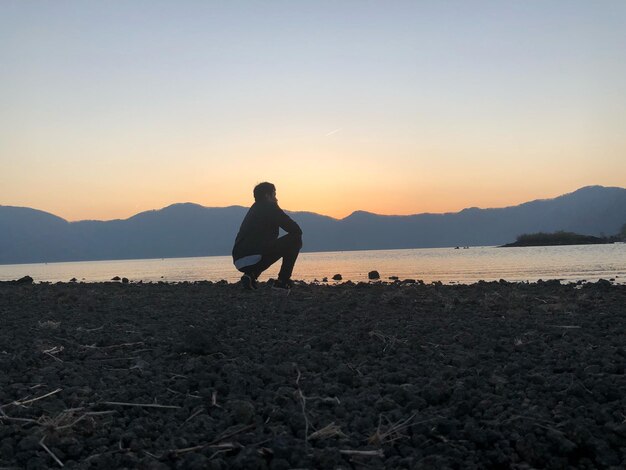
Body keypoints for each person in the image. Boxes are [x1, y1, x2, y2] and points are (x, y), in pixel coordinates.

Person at [232, 182, 303, 291]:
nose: (276, 198)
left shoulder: (254, 209)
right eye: (274, 195)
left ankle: (251, 276)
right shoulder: (270, 207)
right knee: (296, 239)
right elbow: (295, 229)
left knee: (263, 247)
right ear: (267, 196)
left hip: (238, 260)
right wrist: (276, 207)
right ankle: (282, 282)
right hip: (254, 258)